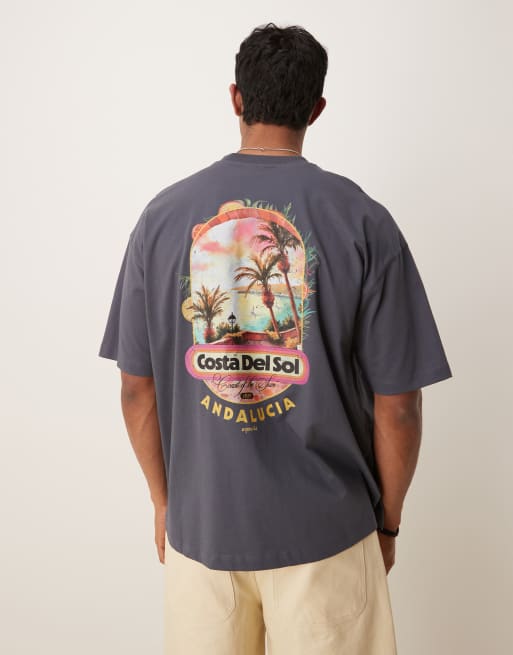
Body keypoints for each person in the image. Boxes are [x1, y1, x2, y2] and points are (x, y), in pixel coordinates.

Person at [98, 21, 453, 655]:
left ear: (236, 98)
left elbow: (135, 390)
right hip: (329, 534)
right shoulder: (363, 221)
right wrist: (389, 524)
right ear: (316, 108)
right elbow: (399, 405)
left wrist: (164, 503)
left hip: (203, 533)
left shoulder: (161, 218)